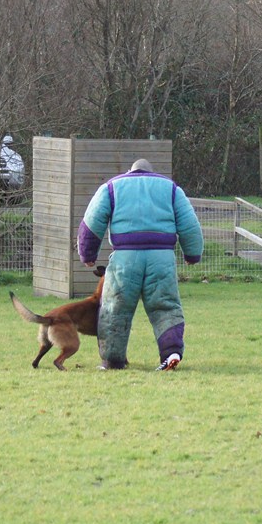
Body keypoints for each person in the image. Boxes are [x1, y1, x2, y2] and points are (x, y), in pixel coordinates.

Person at [77, 158, 204, 371]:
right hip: (161, 258)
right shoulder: (171, 189)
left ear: (131, 171)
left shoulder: (111, 187)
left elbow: (92, 222)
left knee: (115, 309)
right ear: (151, 172)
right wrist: (192, 254)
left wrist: (87, 253)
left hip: (125, 259)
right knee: (165, 306)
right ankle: (171, 352)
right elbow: (190, 225)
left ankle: (112, 361)